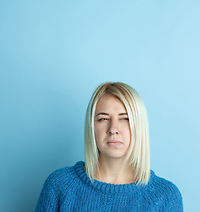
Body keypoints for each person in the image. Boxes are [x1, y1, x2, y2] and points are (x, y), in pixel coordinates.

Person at [35, 82, 183, 211]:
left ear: (140, 126)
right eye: (103, 118)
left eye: (125, 118)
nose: (113, 129)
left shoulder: (166, 196)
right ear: (91, 127)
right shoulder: (60, 185)